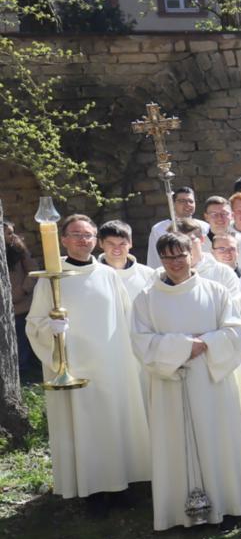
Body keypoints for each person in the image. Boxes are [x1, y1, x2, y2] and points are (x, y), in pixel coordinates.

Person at [130, 231, 241, 530]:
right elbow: (141, 341)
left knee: (218, 437)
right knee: (175, 442)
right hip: (171, 383)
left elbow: (235, 332)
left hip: (211, 380)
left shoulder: (215, 291)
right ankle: (178, 510)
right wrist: (184, 348)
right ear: (160, 259)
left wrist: (207, 345)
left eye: (180, 255)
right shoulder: (146, 299)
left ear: (192, 255)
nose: (175, 262)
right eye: (168, 257)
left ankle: (229, 503)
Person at [25, 212, 151, 515]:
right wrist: (50, 330)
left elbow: (126, 317)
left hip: (113, 364)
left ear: (96, 241)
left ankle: (123, 485)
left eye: (89, 235)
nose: (84, 240)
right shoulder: (52, 278)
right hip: (76, 367)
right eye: (77, 235)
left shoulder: (107, 275)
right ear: (64, 240)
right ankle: (93, 491)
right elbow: (35, 323)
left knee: (116, 423)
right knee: (86, 429)